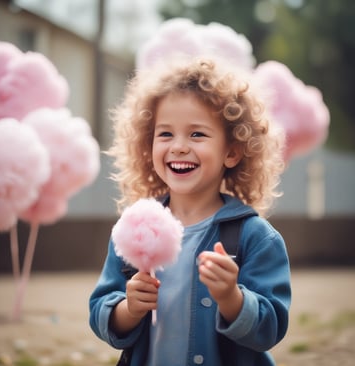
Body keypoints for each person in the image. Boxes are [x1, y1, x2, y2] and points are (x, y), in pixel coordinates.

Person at [89, 56, 291, 366]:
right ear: (147, 144)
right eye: (165, 134)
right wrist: (128, 309)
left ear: (232, 152)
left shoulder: (256, 237)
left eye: (197, 134)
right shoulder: (135, 228)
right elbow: (101, 310)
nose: (179, 146)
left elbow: (271, 328)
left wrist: (232, 299)